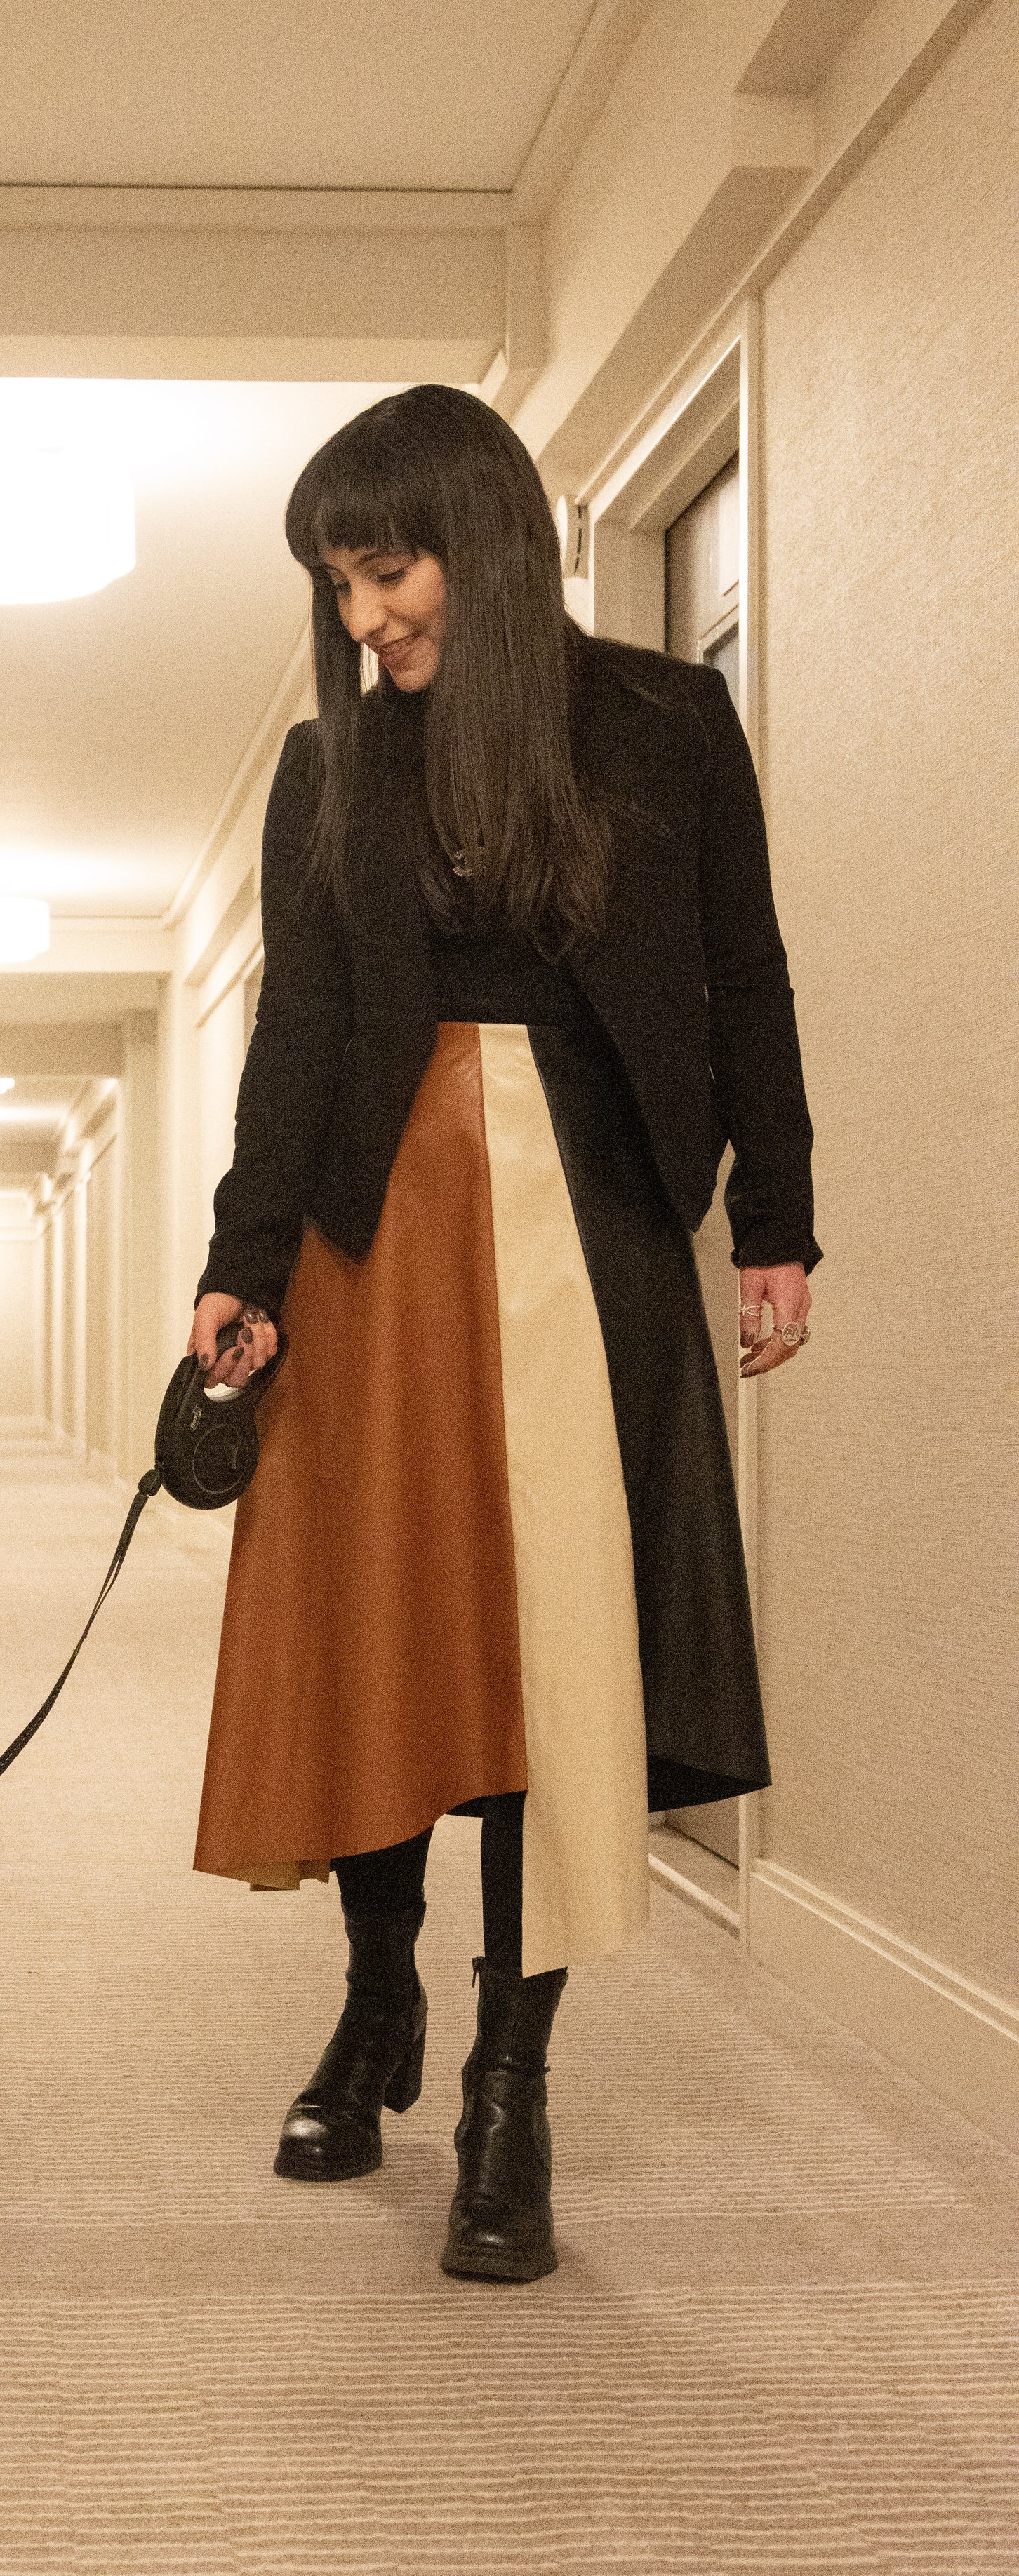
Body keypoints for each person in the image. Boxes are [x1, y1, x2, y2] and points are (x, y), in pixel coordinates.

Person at [186, 386, 818, 2283]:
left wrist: (772, 1223)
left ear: (475, 526)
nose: (366, 613)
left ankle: (503, 2084)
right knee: (393, 1634)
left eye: (384, 567)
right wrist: (246, 1256)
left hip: (595, 1233)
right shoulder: (331, 768)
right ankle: (374, 1997)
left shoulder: (658, 719)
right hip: (375, 1229)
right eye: (341, 586)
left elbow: (744, 969)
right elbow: (298, 1024)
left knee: (554, 1655)